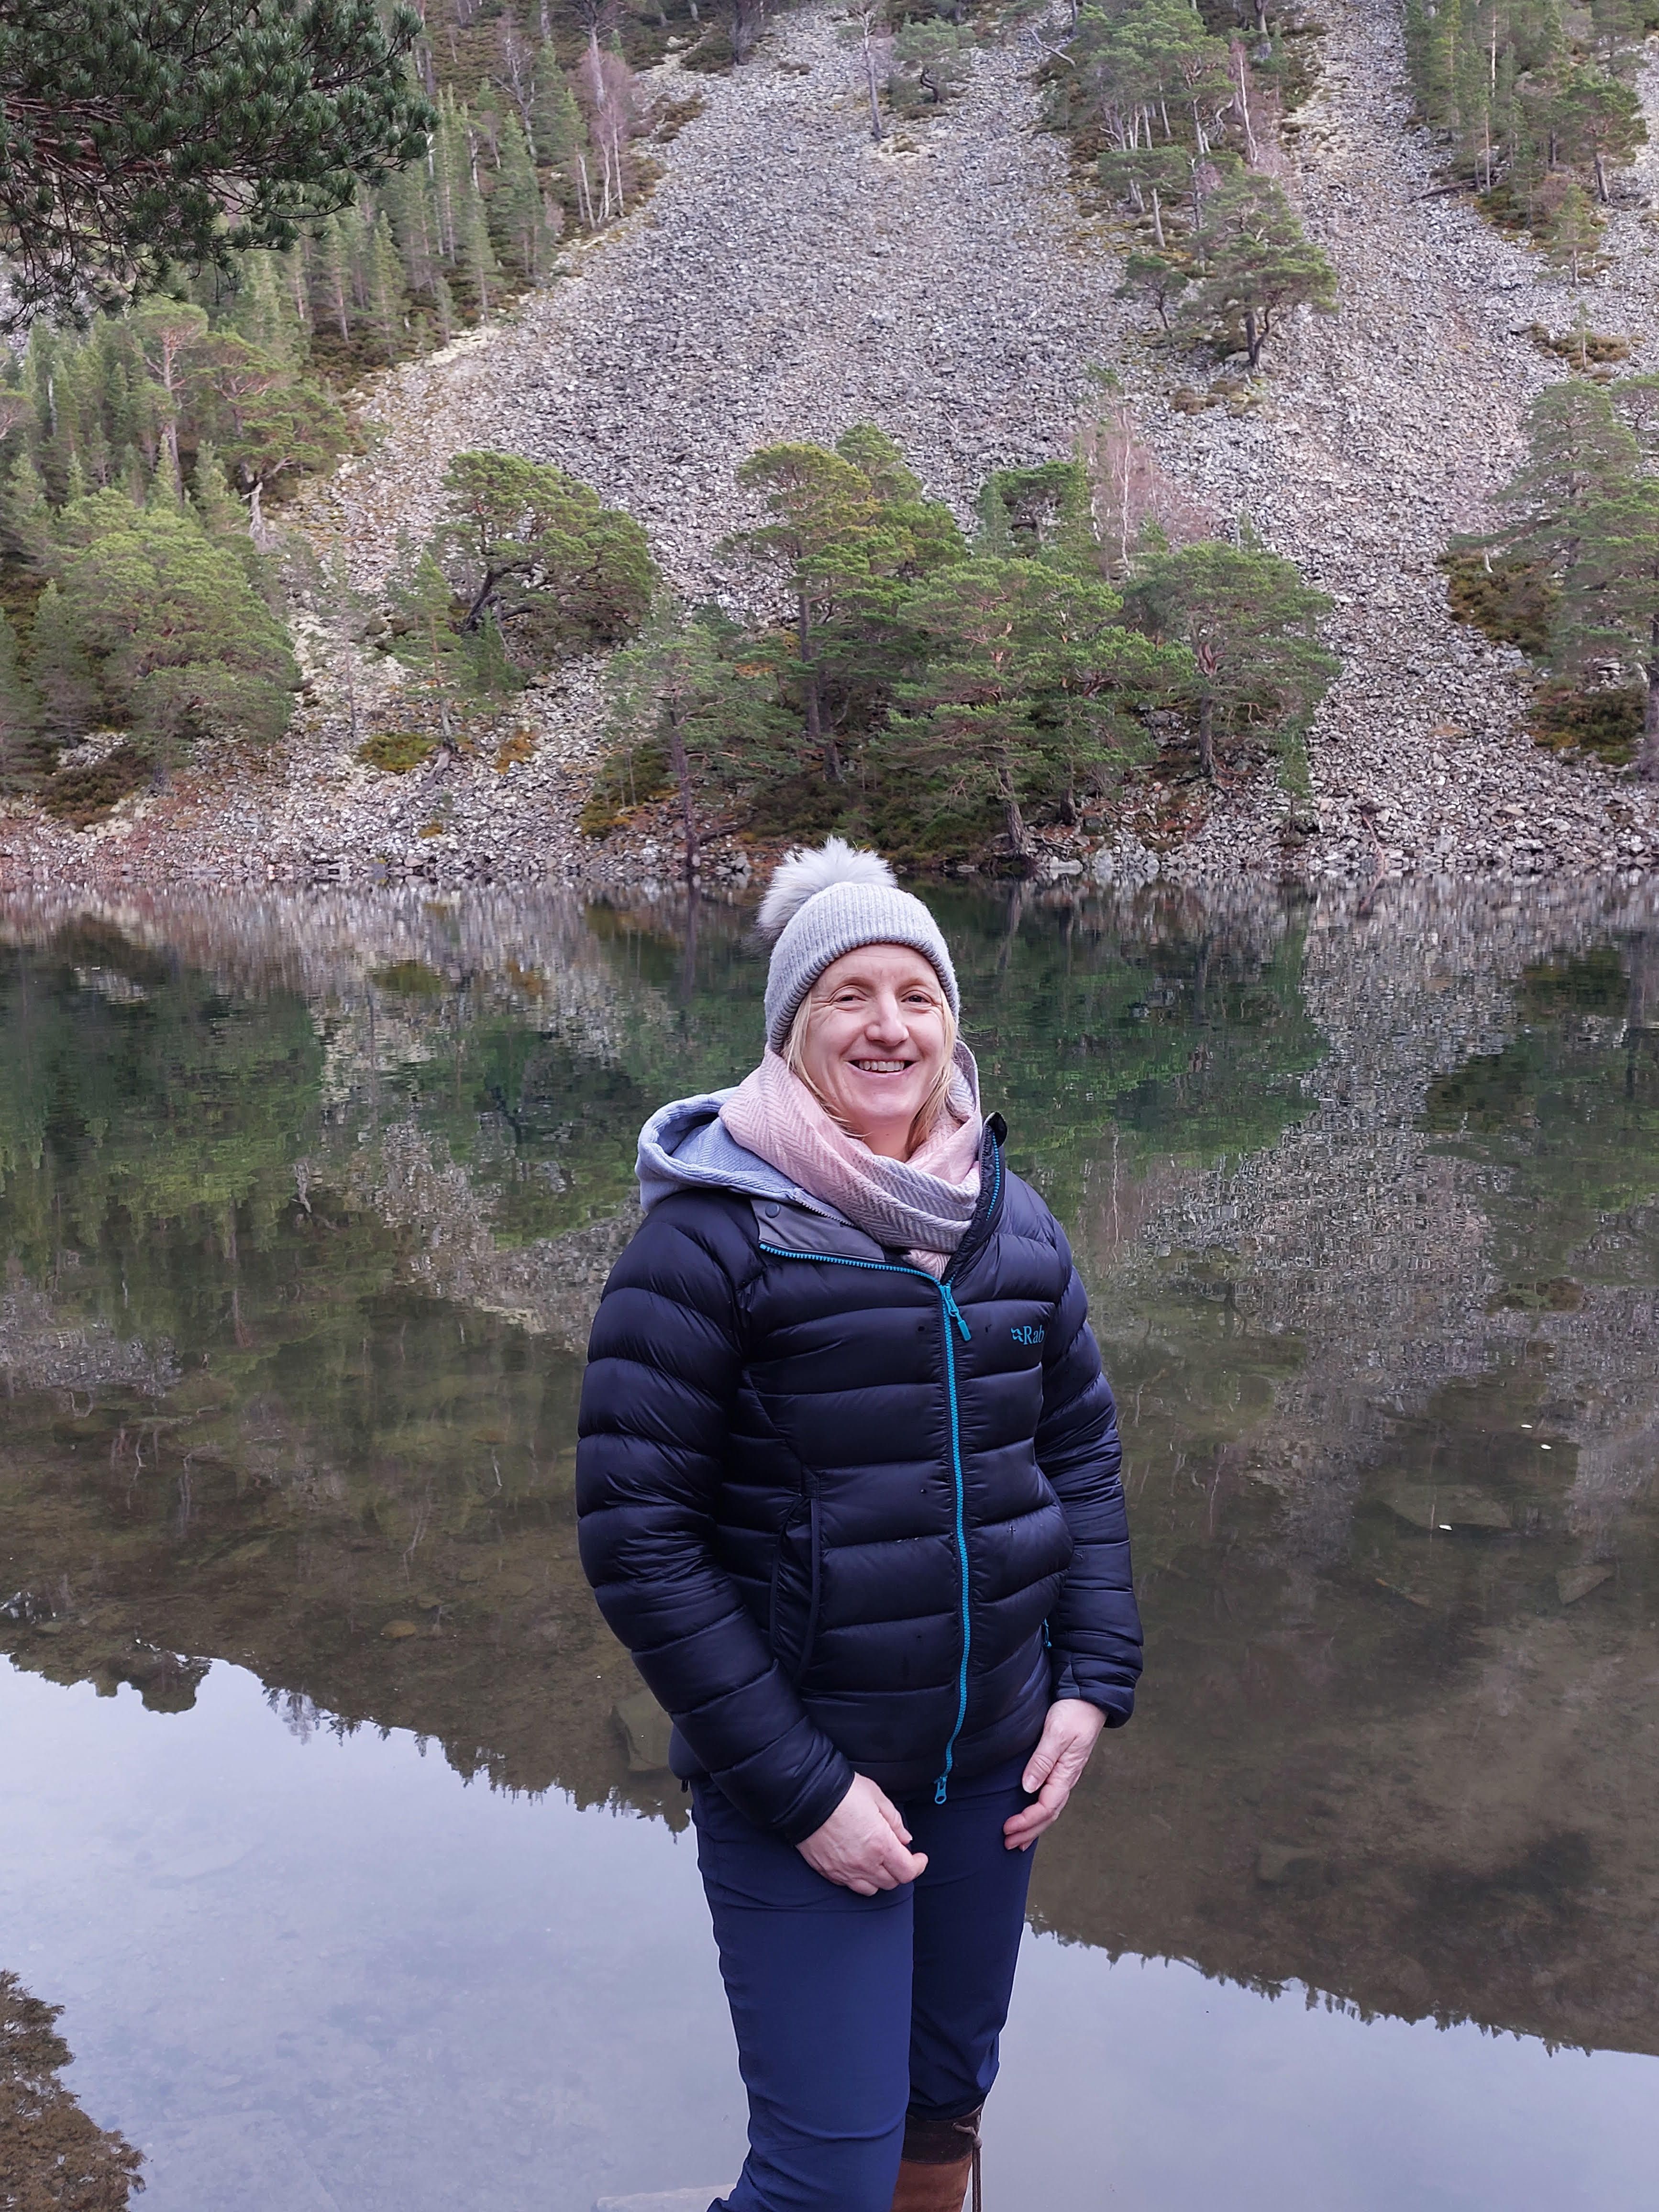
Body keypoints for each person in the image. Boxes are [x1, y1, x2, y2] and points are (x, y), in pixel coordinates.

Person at [577, 840, 1142, 2212]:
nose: (887, 1026)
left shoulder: (1015, 1227)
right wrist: (805, 1789)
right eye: (846, 995)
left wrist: (1088, 1686)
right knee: (821, 2180)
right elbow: (637, 1537)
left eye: (915, 994)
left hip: (989, 1773)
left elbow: (1077, 1457)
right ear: (788, 1027)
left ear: (952, 1023)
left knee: (939, 2122)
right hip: (803, 1782)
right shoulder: (709, 1243)